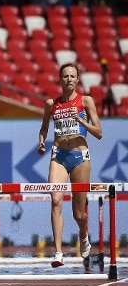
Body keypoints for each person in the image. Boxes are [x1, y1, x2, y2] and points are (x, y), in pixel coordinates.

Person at [37, 63, 103, 268]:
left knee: (78, 214)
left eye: (73, 76)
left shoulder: (86, 101)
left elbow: (99, 133)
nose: (69, 79)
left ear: (77, 79)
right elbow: (44, 128)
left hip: (79, 157)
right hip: (58, 155)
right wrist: (41, 141)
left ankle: (83, 234)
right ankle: (58, 253)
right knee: (56, 199)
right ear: (60, 78)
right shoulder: (51, 104)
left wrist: (81, 121)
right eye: (66, 76)